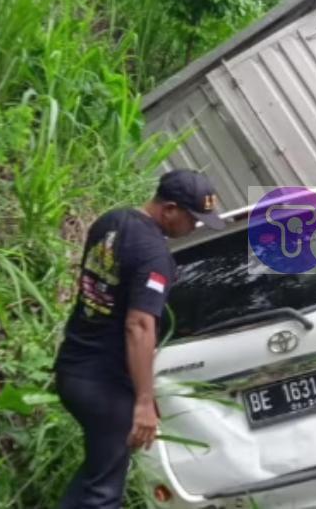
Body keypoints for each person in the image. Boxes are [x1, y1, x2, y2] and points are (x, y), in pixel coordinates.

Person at [54, 169, 225, 508]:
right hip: (105, 384)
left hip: (72, 367)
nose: (195, 226)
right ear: (170, 209)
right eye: (192, 218)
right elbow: (139, 325)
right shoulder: (154, 255)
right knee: (103, 495)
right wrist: (144, 402)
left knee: (98, 474)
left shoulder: (111, 222)